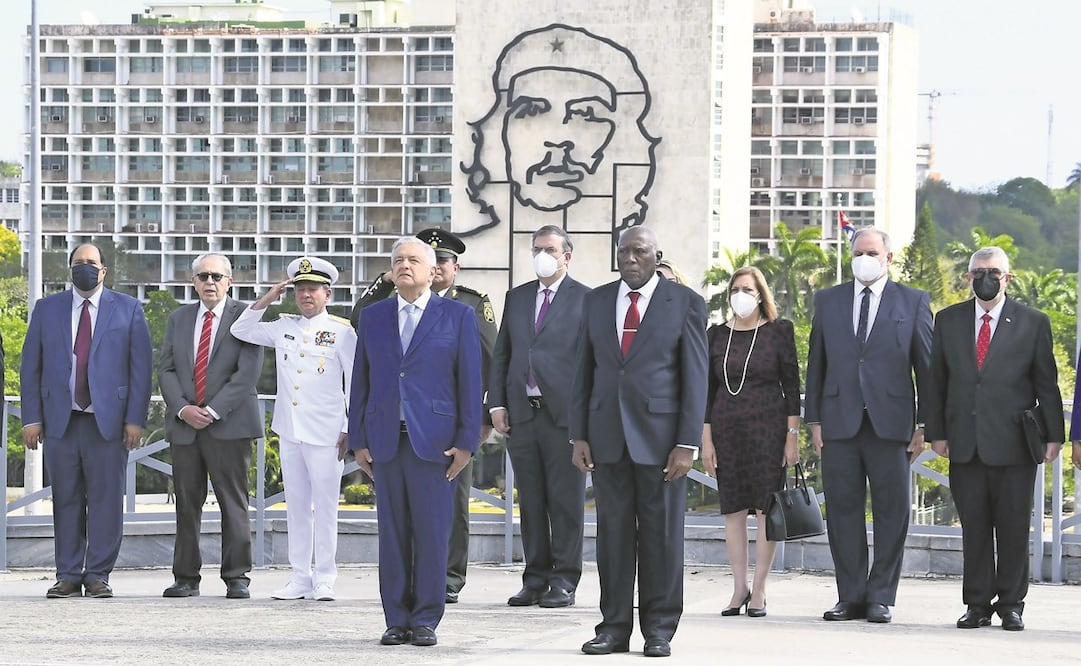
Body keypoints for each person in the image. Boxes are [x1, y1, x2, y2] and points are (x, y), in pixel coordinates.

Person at [569, 226, 708, 658]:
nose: (629, 258)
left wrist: (687, 442)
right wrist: (579, 434)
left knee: (661, 539)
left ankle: (659, 629)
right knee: (612, 538)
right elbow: (583, 372)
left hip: (663, 442)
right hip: (607, 438)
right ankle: (612, 628)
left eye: (639, 251)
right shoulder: (595, 300)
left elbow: (695, 377)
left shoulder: (685, 303)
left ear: (656, 255)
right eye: (623, 251)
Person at [348, 236, 482, 647]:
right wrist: (358, 439)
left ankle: (425, 618)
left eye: (413, 260)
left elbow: (469, 381)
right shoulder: (373, 316)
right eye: (397, 260)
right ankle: (396, 618)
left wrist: (466, 442)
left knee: (431, 532)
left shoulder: (457, 316)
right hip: (387, 440)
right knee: (392, 534)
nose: (404, 266)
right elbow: (361, 381)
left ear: (432, 270)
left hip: (436, 443)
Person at [925, 247, 1064, 632]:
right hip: (964, 442)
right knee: (975, 527)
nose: (986, 277)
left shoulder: (1033, 322)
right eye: (979, 271)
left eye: (994, 271)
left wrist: (1055, 435)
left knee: (1014, 527)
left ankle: (1012, 604)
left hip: (1016, 443)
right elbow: (936, 381)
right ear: (968, 278)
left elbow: (1046, 384)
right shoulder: (948, 320)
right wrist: (935, 431)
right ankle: (976, 604)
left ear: (1008, 277)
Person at [804, 227, 932, 624]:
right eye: (858, 252)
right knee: (843, 512)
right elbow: (816, 364)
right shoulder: (828, 301)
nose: (864, 258)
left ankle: (880, 596)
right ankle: (850, 596)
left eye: (872, 252)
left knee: (892, 513)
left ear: (888, 258)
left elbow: (926, 369)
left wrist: (925, 423)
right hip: (839, 423)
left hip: (891, 425)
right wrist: (814, 420)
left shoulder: (912, 302)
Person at [20, 242, 153, 599]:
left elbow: (141, 371)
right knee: (65, 499)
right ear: (70, 269)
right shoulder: (47, 309)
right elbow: (30, 366)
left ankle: (97, 574)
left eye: (91, 263)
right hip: (60, 421)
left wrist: (134, 420)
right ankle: (67, 573)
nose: (85, 268)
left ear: (104, 270)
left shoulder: (128, 309)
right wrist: (31, 417)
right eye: (78, 263)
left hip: (107, 422)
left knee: (106, 500)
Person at [231, 257, 356, 602]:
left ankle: (325, 577)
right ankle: (300, 576)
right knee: (297, 507)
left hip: (328, 432)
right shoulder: (283, 326)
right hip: (290, 430)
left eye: (312, 289)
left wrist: (349, 427)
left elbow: (356, 382)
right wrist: (267, 299)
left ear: (327, 293)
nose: (305, 295)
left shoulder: (343, 332)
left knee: (326, 507)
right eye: (300, 289)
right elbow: (241, 330)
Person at [460, 24, 660, 236]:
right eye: (531, 112)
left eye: (586, 114)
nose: (558, 139)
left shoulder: (634, 265)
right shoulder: (463, 263)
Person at [489, 225, 589, 609]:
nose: (541, 255)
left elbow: (589, 362)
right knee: (530, 501)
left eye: (549, 249)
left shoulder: (586, 299)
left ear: (567, 255)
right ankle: (535, 577)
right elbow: (503, 354)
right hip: (522, 414)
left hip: (563, 415)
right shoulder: (517, 297)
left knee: (565, 501)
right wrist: (497, 403)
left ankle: (564, 579)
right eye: (536, 249)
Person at [158, 253, 263, 600]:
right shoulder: (179, 318)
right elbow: (167, 370)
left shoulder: (246, 318)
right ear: (194, 282)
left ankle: (237, 576)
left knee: (233, 502)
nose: (210, 282)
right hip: (186, 426)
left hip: (229, 424)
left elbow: (247, 373)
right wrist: (183, 408)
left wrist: (214, 410)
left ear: (230, 281)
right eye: (203, 276)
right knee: (187, 503)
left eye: (217, 276)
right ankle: (185, 576)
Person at [701, 266, 800, 618]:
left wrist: (792, 435)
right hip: (726, 429)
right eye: (736, 288)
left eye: (748, 288)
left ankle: (759, 589)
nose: (741, 294)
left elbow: (791, 387)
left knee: (763, 509)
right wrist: (706, 439)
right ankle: (738, 587)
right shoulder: (716, 335)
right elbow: (707, 392)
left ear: (761, 294)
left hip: (768, 430)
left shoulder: (778, 332)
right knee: (733, 510)